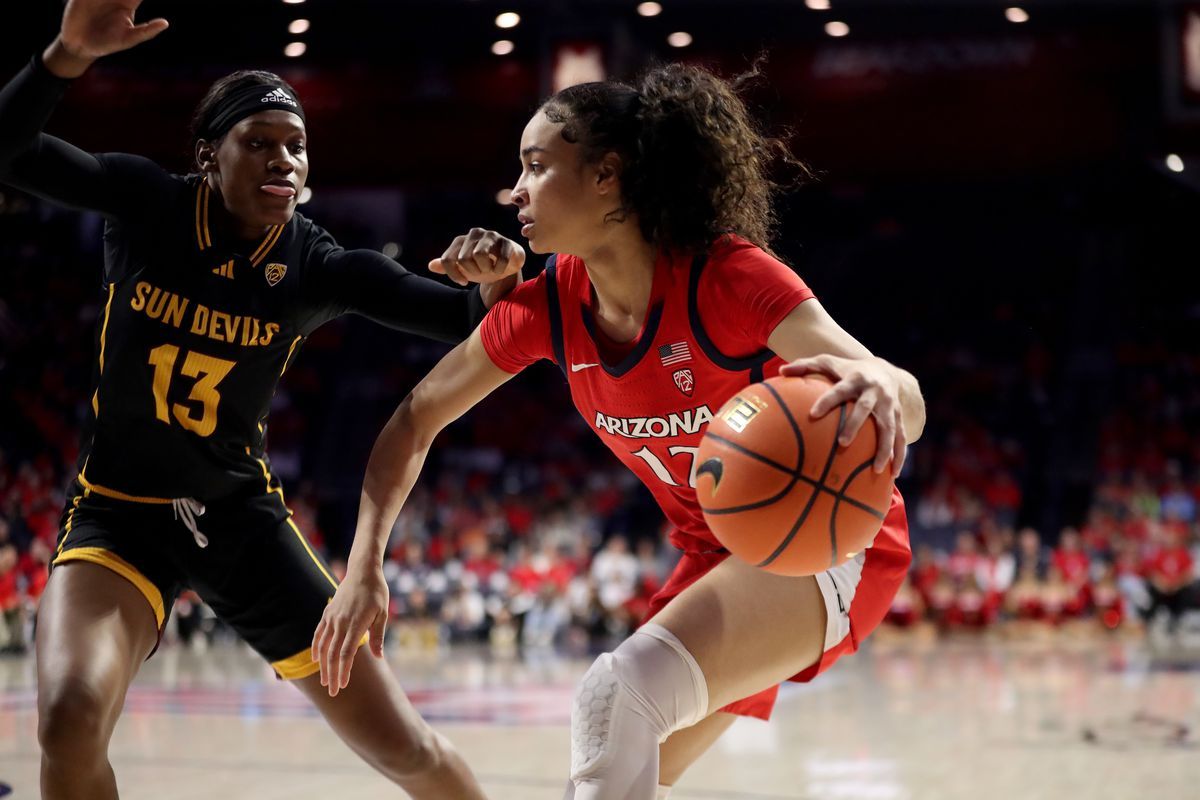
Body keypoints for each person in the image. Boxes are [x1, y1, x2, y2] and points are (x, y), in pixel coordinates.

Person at [315, 63, 925, 799]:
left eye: (537, 167)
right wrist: (363, 565)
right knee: (619, 772)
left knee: (615, 696)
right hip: (716, 556)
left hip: (824, 537)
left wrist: (883, 385)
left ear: (607, 176)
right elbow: (414, 419)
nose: (516, 191)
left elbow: (905, 401)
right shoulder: (547, 308)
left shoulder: (724, 277)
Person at [0, 2, 523, 798]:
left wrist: (499, 281)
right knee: (68, 718)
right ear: (209, 156)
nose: (284, 160)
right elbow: (11, 152)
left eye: (297, 147)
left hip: (241, 523)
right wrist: (64, 56)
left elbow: (462, 320)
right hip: (117, 512)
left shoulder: (312, 263)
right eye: (260, 143)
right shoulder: (149, 206)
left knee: (406, 749)